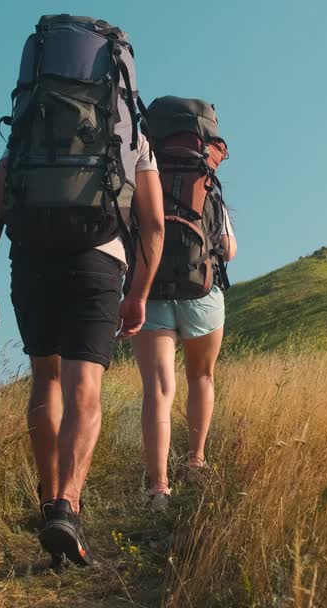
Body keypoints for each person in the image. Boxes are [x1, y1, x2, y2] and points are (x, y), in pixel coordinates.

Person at [0, 15, 165, 566]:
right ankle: (68, 506)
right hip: (98, 262)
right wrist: (138, 293)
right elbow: (153, 226)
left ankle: (46, 499)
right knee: (85, 387)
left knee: (45, 379)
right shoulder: (129, 137)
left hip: (30, 259)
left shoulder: (31, 125)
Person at [131, 95, 235, 509]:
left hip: (149, 292)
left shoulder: (143, 168)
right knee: (201, 378)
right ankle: (196, 460)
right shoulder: (206, 179)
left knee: (158, 389)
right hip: (201, 295)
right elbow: (227, 248)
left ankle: (158, 488)